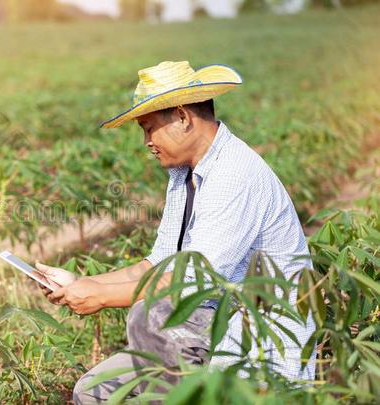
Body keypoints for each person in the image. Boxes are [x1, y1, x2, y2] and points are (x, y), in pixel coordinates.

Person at [34, 61, 316, 404]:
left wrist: (103, 297)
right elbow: (158, 263)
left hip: (253, 343)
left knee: (152, 313)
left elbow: (195, 281)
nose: (146, 142)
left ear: (183, 117)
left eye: (149, 128)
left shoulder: (234, 174)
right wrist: (82, 284)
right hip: (203, 328)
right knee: (93, 391)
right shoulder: (183, 175)